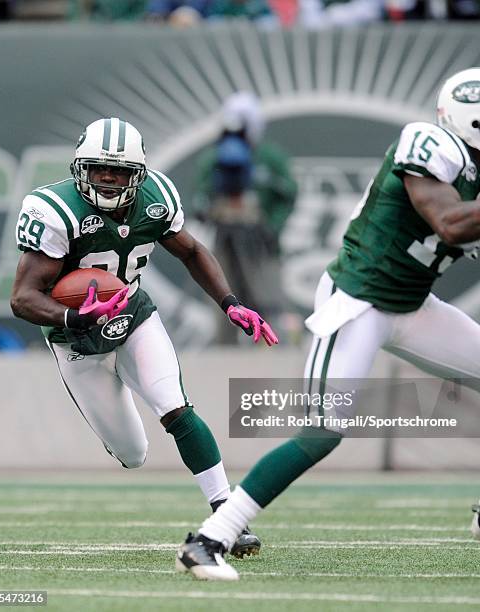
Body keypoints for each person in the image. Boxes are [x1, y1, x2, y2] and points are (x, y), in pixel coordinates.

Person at [176, 67, 480, 580]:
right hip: (357, 303)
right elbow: (450, 222)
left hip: (410, 304)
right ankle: (209, 540)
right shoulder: (429, 142)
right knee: (322, 432)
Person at [10, 117, 278, 559]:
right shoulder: (54, 210)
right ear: (80, 168)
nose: (108, 178)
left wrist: (229, 302)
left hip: (133, 316)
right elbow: (23, 298)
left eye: (119, 171)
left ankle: (226, 515)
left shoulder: (157, 196)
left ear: (140, 174)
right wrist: (77, 316)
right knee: (133, 454)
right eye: (98, 168)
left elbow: (191, 249)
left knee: (175, 406)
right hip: (75, 340)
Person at [194, 92, 298, 344]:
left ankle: (273, 353)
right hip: (224, 240)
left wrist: (272, 226)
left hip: (261, 242)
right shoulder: (213, 158)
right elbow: (199, 195)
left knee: (268, 297)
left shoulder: (270, 158)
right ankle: (224, 356)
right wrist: (209, 209)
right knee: (224, 296)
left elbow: (289, 193)